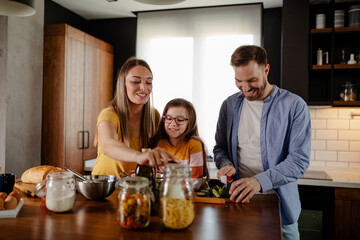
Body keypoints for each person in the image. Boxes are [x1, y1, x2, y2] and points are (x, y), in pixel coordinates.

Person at [214, 45, 311, 240]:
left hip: (281, 210)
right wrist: (226, 164)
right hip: (239, 205)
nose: (246, 88)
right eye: (238, 81)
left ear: (266, 70)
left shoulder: (294, 105)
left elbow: (299, 160)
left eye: (252, 80)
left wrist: (259, 181)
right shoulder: (229, 105)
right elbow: (220, 148)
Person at [92, 57, 178, 178]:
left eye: (148, 82)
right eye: (136, 81)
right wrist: (139, 156)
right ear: (123, 84)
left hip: (135, 187)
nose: (144, 87)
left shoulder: (154, 116)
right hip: (105, 187)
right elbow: (108, 145)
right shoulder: (109, 114)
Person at [150, 98, 209, 190]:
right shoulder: (158, 143)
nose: (173, 124)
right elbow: (156, 177)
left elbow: (196, 182)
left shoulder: (194, 144)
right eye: (169, 118)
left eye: (180, 120)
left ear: (190, 122)